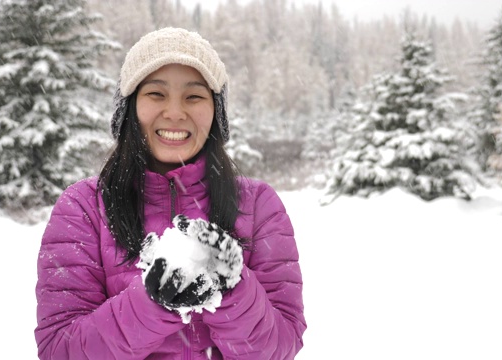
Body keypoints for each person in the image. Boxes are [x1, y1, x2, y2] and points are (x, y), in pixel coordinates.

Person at [35, 27, 306, 359]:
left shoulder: (259, 205)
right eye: (156, 94)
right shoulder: (83, 208)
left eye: (194, 96)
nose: (176, 112)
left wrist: (232, 288)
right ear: (129, 107)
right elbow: (58, 351)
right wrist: (151, 304)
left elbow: (281, 347)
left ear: (215, 113)